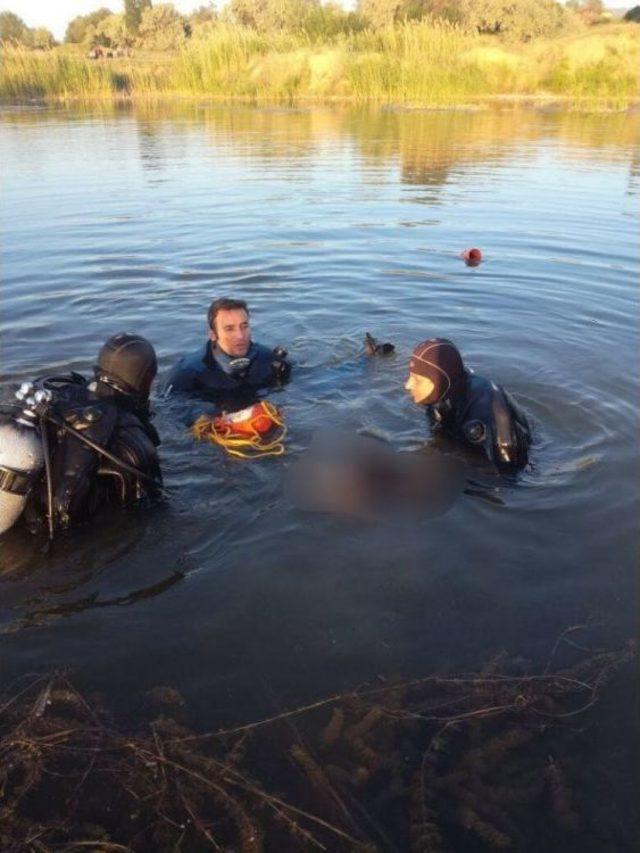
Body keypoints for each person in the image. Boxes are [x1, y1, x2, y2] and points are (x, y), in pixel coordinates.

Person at [0, 333, 162, 537]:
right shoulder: (133, 437)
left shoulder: (61, 393)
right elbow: (153, 506)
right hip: (61, 540)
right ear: (145, 380)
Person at [405, 338, 531, 474]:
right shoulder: (443, 391)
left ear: (441, 379)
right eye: (410, 376)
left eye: (417, 380)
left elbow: (508, 475)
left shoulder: (489, 412)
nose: (407, 385)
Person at [165, 297, 290, 407]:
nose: (240, 336)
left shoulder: (267, 358)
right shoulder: (189, 371)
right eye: (229, 329)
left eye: (244, 326)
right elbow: (169, 407)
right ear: (213, 335)